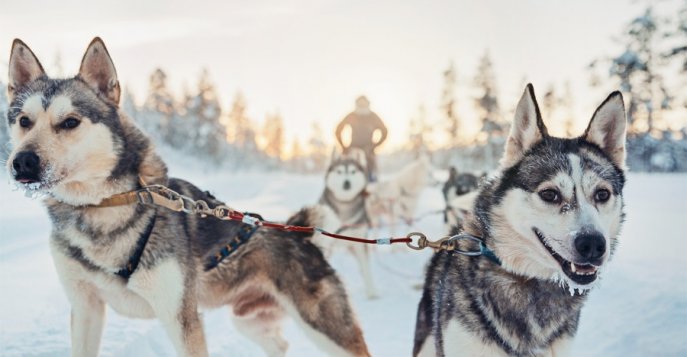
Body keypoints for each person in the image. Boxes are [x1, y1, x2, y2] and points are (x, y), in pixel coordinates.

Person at [335, 96, 388, 181]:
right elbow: (338, 130)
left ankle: (371, 186)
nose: (362, 105)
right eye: (360, 103)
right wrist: (344, 147)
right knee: (347, 172)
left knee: (371, 176)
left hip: (368, 151)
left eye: (364, 103)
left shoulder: (372, 116)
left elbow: (384, 131)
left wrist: (374, 146)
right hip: (353, 150)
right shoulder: (352, 115)